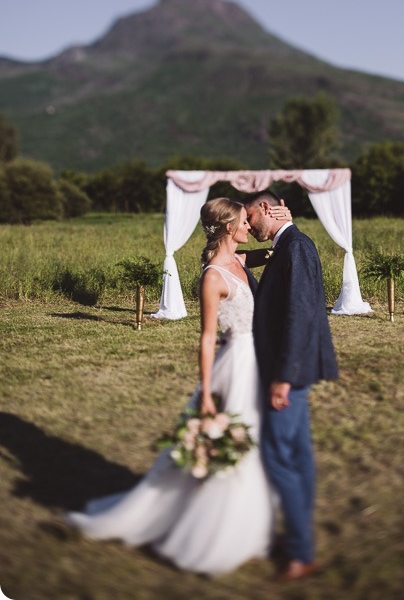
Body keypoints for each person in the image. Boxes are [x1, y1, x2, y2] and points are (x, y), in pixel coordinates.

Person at [63, 198, 289, 576]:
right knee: (234, 439)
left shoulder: (240, 261)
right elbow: (205, 339)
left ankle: (249, 524)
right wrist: (205, 393)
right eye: (244, 223)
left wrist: (284, 224)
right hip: (235, 365)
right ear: (228, 228)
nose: (250, 226)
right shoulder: (214, 275)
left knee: (255, 440)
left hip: (256, 361)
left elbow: (275, 250)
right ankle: (212, 529)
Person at [244, 190, 339, 583]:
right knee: (297, 455)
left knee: (277, 455)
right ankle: (304, 540)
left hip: (289, 371)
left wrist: (283, 377)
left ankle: (301, 553)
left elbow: (299, 315)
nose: (248, 225)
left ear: (267, 208)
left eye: (251, 216)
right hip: (292, 369)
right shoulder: (288, 245)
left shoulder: (296, 246)